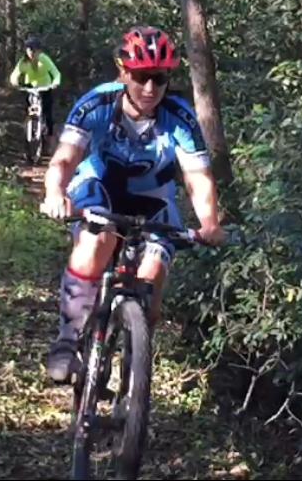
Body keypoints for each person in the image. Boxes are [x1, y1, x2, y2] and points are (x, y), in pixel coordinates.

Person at [39, 25, 226, 383]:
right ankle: (68, 340)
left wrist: (209, 223)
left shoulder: (180, 116)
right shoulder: (97, 103)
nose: (150, 88)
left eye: (158, 77)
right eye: (141, 77)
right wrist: (55, 194)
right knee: (97, 240)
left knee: (152, 278)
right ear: (123, 71)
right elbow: (64, 160)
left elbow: (198, 177)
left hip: (152, 197)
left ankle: (134, 367)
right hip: (100, 186)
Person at [9, 36, 62, 135]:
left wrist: (55, 83)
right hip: (30, 88)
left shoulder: (44, 60)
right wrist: (14, 82)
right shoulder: (23, 62)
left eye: (34, 50)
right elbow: (15, 74)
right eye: (29, 50)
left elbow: (56, 73)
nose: (31, 53)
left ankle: (49, 135)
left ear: (39, 51)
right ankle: (27, 129)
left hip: (45, 87)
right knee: (26, 107)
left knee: (47, 112)